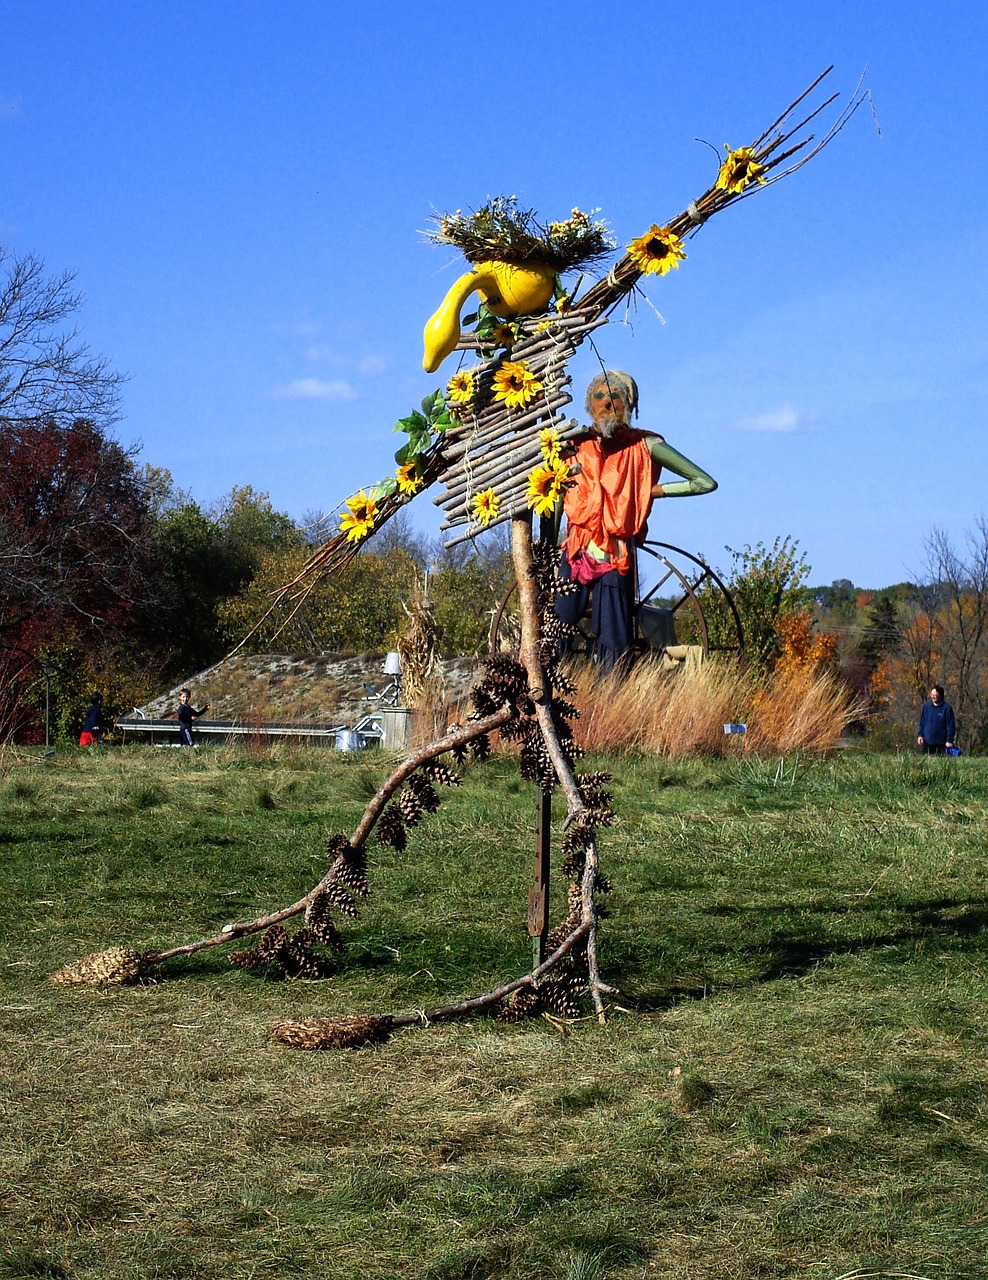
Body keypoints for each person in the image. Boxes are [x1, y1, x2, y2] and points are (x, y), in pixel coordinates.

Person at [554, 369, 716, 671]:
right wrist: (547, 548)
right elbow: (553, 495)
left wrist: (653, 490)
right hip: (577, 550)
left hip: (616, 554)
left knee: (614, 638)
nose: (606, 404)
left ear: (627, 404)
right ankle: (544, 696)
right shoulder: (572, 446)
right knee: (556, 626)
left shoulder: (645, 446)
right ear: (589, 404)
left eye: (614, 397)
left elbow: (703, 482)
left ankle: (611, 704)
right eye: (599, 396)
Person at [917, 685, 956, 755]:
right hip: (927, 743)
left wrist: (949, 740)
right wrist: (920, 735)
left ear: (940, 696)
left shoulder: (946, 708)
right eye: (931, 695)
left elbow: (950, 726)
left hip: (941, 744)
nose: (932, 697)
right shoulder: (927, 707)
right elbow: (922, 722)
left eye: (935, 695)